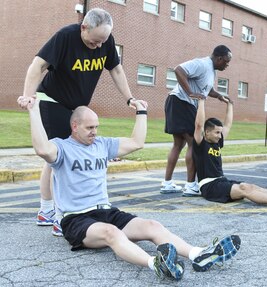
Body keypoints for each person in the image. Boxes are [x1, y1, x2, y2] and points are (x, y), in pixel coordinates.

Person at [20, 96, 241, 281]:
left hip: (105, 211)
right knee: (111, 233)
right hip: (76, 219)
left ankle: (199, 254)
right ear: (74, 126)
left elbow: (137, 142)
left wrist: (141, 112)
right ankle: (155, 263)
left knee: (152, 225)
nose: (94, 132)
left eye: (96, 127)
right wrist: (33, 110)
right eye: (89, 127)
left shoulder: (102, 145)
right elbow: (41, 148)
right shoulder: (62, 147)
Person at [17, 8, 138, 237]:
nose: (99, 47)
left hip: (77, 106)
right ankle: (52, 212)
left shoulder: (105, 40)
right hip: (53, 100)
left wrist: (129, 98)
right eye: (95, 41)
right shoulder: (66, 36)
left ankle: (52, 210)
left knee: (63, 157)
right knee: (58, 157)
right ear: (84, 27)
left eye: (103, 41)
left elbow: (117, 70)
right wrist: (28, 96)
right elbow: (37, 66)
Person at [192, 97, 267, 209]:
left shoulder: (217, 142)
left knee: (249, 186)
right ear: (207, 132)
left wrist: (230, 104)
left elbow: (228, 124)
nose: (220, 136)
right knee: (244, 188)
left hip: (221, 181)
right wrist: (201, 101)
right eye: (217, 132)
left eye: (220, 132)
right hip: (209, 186)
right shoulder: (201, 144)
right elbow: (199, 125)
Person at [162, 45, 232, 197]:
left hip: (177, 102)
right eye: (226, 62)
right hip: (182, 102)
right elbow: (179, 70)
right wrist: (190, 93)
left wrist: (219, 96)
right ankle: (190, 185)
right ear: (219, 58)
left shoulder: (211, 71)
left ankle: (167, 183)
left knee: (178, 144)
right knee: (194, 143)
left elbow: (206, 90)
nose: (227, 65)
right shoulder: (202, 64)